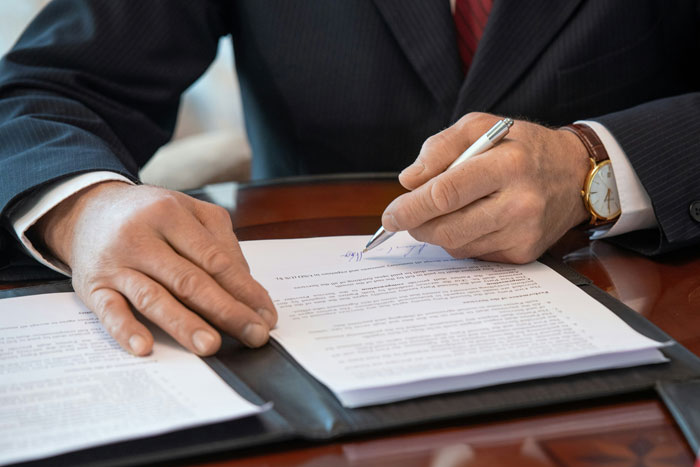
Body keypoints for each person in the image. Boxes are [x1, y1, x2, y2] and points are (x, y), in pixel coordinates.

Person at [0, 1, 698, 357]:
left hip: (652, 326)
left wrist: (596, 165)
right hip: (305, 372)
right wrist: (81, 206)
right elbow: (39, 90)